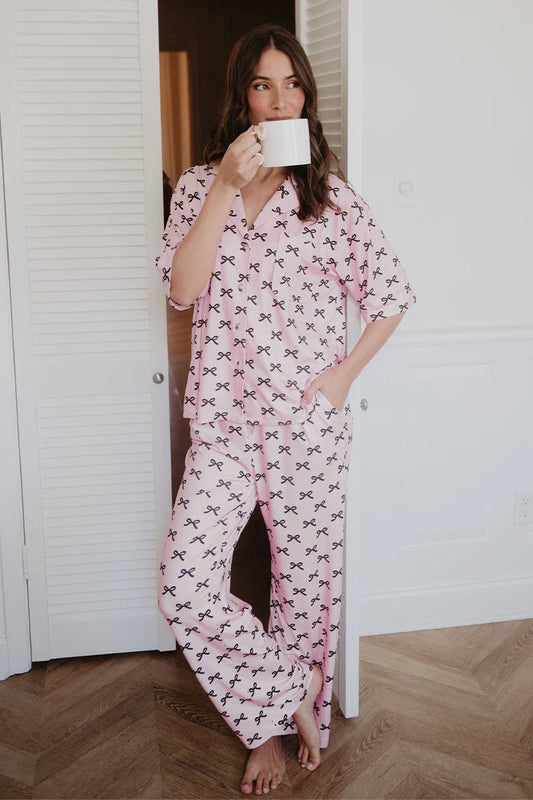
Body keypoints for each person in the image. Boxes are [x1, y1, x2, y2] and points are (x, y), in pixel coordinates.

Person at [155, 23, 416, 796]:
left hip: (305, 426)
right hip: (225, 426)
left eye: (292, 84)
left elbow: (392, 296)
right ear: (241, 97)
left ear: (307, 95)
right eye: (263, 86)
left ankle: (273, 733)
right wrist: (228, 187)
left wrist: (341, 377)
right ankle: (283, 695)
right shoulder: (203, 187)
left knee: (302, 590)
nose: (279, 100)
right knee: (185, 584)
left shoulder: (328, 197)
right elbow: (181, 290)